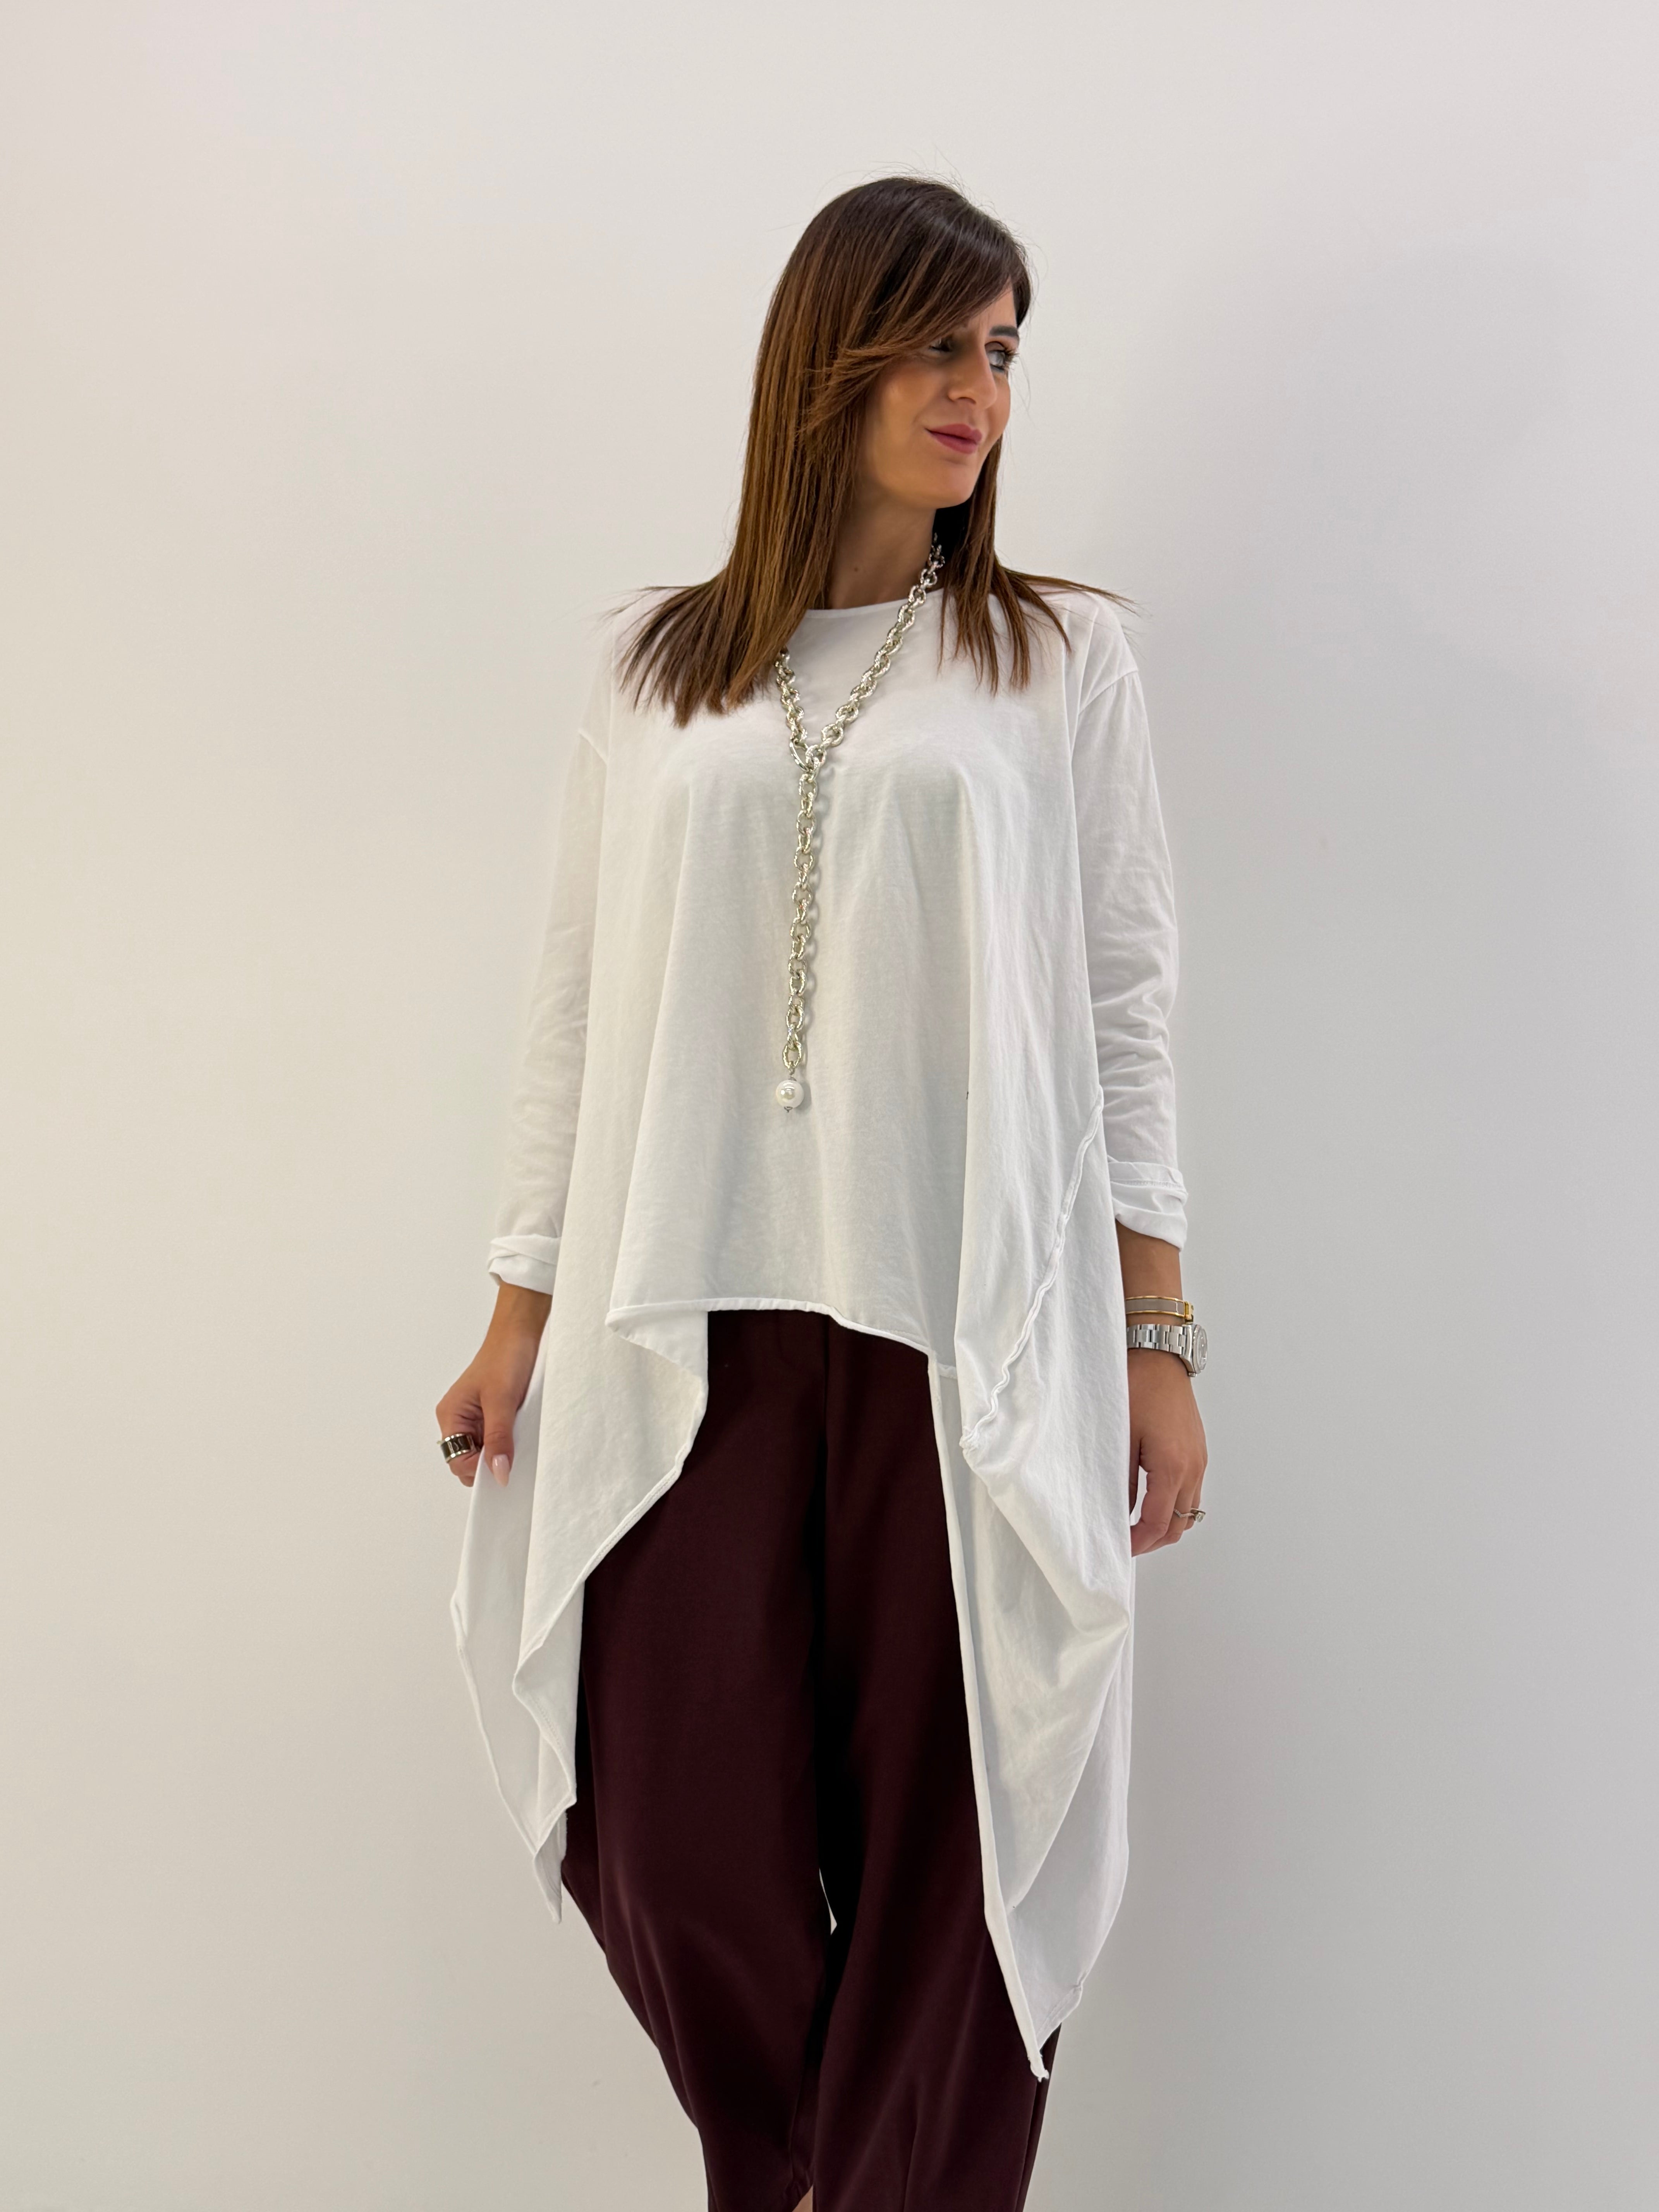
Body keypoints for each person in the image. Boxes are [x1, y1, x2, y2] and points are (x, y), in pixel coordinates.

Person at [438, 173, 1208, 2212]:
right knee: (671, 1828)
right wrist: (516, 1310)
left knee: (956, 1847)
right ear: (830, 357)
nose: (981, 393)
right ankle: (802, 2174)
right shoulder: (656, 665)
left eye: (1006, 354)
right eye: (942, 345)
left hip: (963, 1331)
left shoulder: (1057, 662)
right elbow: (572, 1002)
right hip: (681, 1322)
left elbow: (1127, 1010)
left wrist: (1157, 1332)